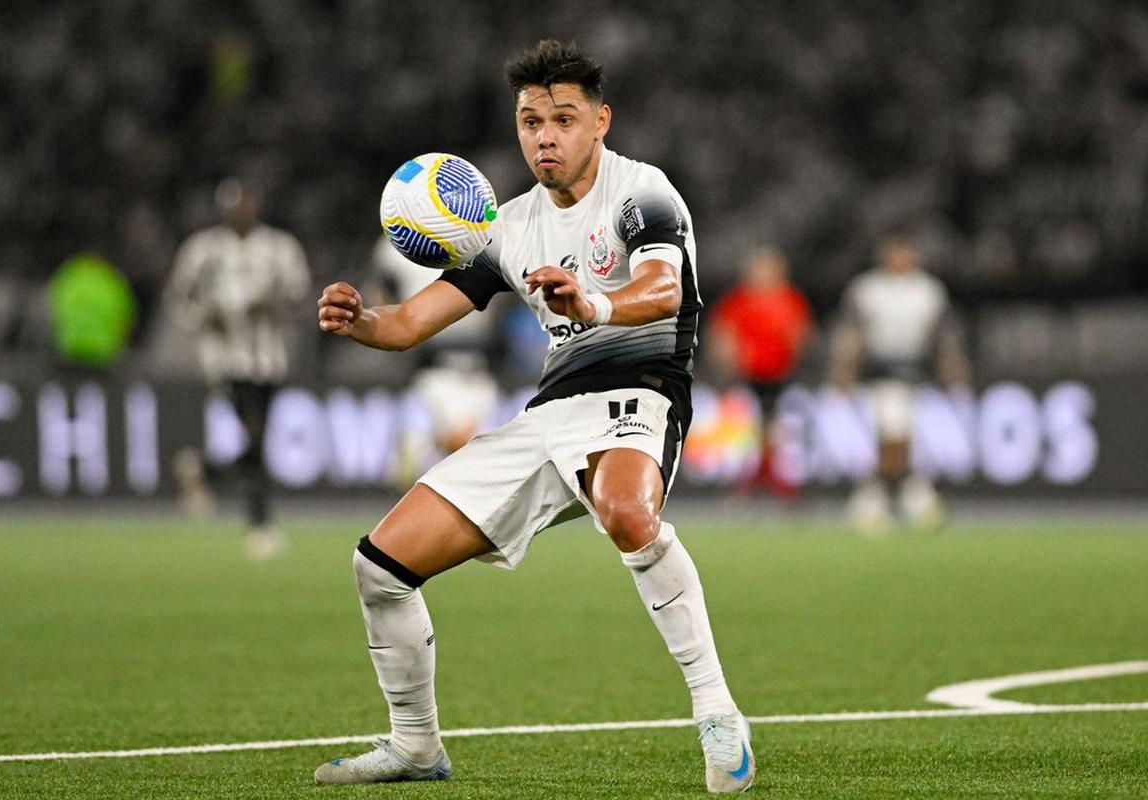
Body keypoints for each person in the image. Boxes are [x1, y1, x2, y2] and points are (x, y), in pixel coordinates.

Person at [313, 40, 754, 794]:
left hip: (640, 388)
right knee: (379, 567)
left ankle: (718, 712)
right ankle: (416, 746)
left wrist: (595, 303)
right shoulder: (505, 226)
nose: (544, 135)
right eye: (530, 121)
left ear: (601, 122)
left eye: (563, 118)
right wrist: (364, 320)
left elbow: (664, 290)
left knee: (625, 511)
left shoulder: (643, 192)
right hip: (551, 413)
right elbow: (413, 322)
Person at [165, 178, 311, 559]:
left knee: (256, 440)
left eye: (247, 203)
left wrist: (272, 305)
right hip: (226, 359)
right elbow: (179, 297)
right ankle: (259, 525)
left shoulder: (280, 247)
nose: (242, 211)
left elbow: (299, 296)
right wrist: (202, 316)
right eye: (235, 205)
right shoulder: (203, 250)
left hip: (270, 358)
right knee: (255, 433)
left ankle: (205, 470)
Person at [828, 234, 970, 534]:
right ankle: (908, 498)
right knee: (893, 440)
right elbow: (853, 332)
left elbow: (942, 333)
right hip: (881, 374)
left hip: (916, 374)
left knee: (900, 443)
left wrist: (952, 366)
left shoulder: (928, 289)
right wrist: (844, 370)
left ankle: (879, 499)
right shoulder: (868, 289)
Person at [367, 235, 501, 482]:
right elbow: (382, 295)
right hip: (437, 363)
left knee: (471, 446)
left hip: (480, 363)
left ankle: (420, 446)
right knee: (468, 442)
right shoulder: (396, 240)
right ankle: (420, 448)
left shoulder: (482, 232)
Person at [707, 246, 813, 498]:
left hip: (780, 375)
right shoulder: (738, 300)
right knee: (750, 430)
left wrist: (797, 349)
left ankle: (773, 482)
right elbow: (722, 332)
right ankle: (753, 481)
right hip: (748, 375)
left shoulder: (789, 299)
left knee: (775, 431)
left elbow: (802, 333)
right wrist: (728, 359)